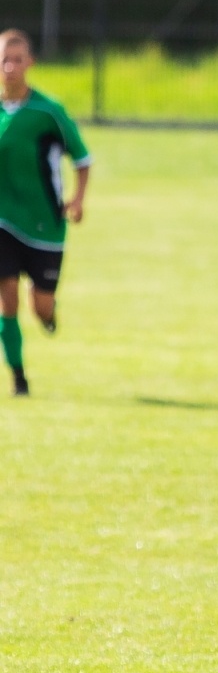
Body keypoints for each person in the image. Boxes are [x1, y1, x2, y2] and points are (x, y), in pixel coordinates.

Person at [0, 29, 91, 397]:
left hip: (44, 224)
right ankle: (19, 377)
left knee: (40, 305)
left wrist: (79, 198)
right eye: (4, 59)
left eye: (17, 59)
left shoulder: (48, 111)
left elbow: (82, 158)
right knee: (6, 296)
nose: (9, 66)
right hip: (3, 220)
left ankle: (48, 316)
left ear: (30, 64)